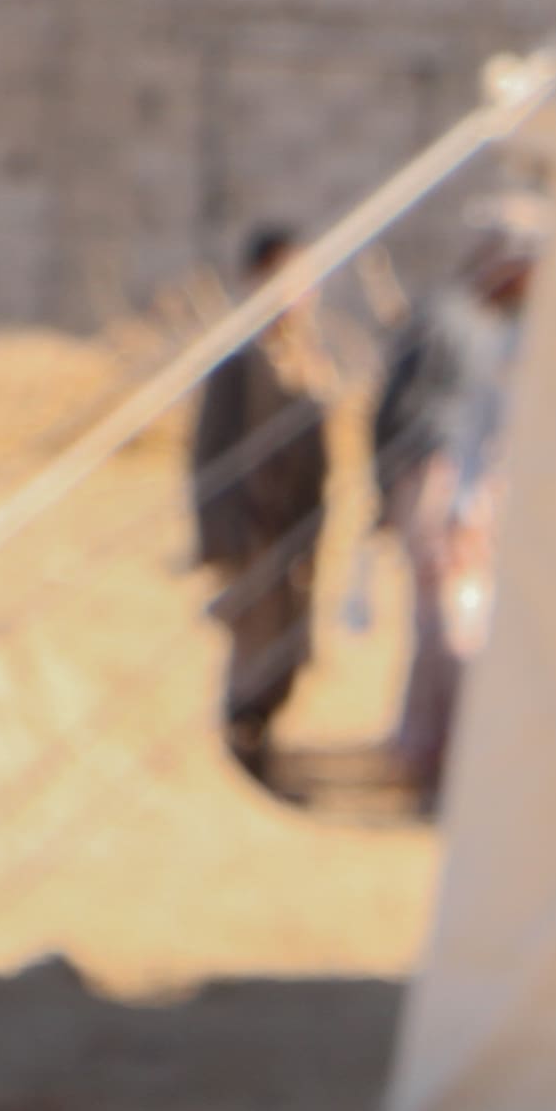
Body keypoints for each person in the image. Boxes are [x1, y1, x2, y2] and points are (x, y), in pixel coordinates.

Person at [373, 200, 538, 811]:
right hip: (439, 487)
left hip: (462, 493)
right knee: (446, 626)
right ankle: (432, 756)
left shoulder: (498, 327)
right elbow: (424, 421)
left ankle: (431, 750)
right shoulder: (454, 321)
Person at [187, 227, 332, 792]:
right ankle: (245, 757)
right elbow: (210, 457)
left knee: (289, 649)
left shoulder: (307, 359)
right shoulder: (237, 362)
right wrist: (223, 542)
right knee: (253, 650)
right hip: (253, 536)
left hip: (296, 532)